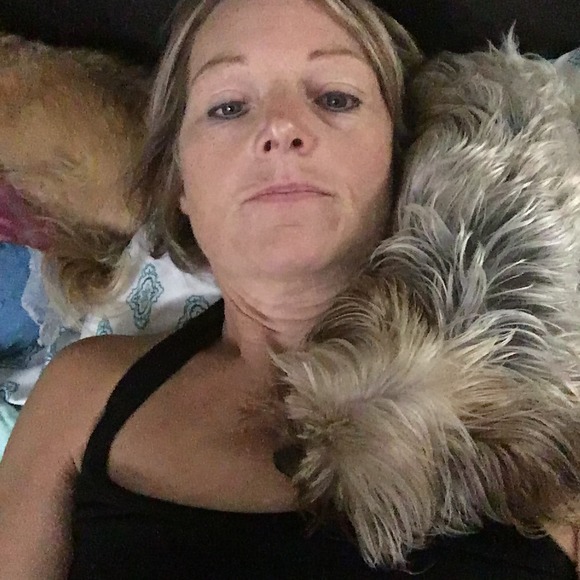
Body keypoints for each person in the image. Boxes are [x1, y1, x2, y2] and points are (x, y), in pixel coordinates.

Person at [0, 0, 577, 577]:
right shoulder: (81, 396)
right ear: (180, 186)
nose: (279, 126)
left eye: (335, 99)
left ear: (399, 156)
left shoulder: (549, 404)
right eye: (228, 107)